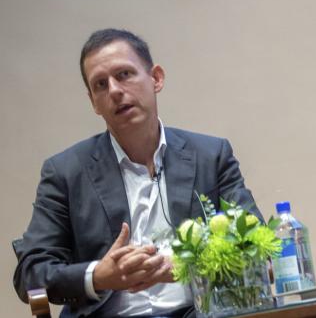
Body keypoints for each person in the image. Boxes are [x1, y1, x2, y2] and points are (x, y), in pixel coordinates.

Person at [13, 29, 261, 318]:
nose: (115, 91)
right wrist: (98, 276)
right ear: (93, 101)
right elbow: (31, 273)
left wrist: (185, 264)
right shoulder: (65, 172)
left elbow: (254, 244)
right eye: (101, 85)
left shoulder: (211, 155)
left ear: (156, 78)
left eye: (125, 74)